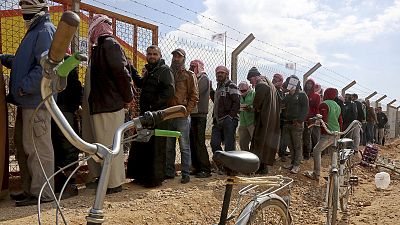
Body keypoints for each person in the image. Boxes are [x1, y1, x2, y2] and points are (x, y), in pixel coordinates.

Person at [3, 0, 56, 206]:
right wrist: (5, 59)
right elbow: (24, 62)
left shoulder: (45, 30)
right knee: (29, 148)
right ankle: (32, 190)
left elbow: (46, 67)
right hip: (28, 101)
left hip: (36, 101)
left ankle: (44, 194)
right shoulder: (35, 30)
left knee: (39, 149)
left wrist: (23, 87)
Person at [83, 14, 134, 194]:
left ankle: (113, 184)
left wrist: (128, 98)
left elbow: (122, 74)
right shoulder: (100, 48)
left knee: (111, 147)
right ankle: (105, 180)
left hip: (109, 105)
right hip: (103, 105)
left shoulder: (110, 45)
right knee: (104, 145)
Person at [126, 45, 175, 188]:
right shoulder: (150, 71)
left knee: (156, 147)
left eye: (155, 54)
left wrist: (154, 106)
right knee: (142, 144)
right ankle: (140, 177)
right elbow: (141, 83)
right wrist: (131, 68)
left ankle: (154, 179)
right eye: (149, 54)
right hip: (146, 115)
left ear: (159, 56)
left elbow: (169, 91)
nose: (152, 56)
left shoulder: (165, 71)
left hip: (157, 116)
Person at [165, 49, 199, 184]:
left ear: (183, 58)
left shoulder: (189, 75)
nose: (176, 58)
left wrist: (186, 111)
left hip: (181, 115)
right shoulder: (168, 72)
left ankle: (185, 173)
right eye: (174, 56)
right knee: (169, 145)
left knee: (184, 146)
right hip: (168, 113)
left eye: (179, 56)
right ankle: (169, 172)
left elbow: (194, 96)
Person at [51, 55, 82, 198]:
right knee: (57, 144)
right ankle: (61, 182)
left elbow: (75, 88)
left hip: (64, 109)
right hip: (54, 107)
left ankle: (71, 183)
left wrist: (74, 107)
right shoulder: (50, 59)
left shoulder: (68, 61)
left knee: (67, 143)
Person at [304, 88, 343, 180]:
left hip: (328, 132)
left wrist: (323, 130)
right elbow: (340, 120)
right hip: (336, 132)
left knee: (316, 150)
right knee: (333, 153)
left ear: (326, 94)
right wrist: (339, 132)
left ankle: (316, 174)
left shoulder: (324, 104)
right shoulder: (337, 105)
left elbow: (324, 120)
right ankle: (334, 174)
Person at [247, 67, 280, 174]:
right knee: (266, 142)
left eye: (250, 80)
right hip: (271, 118)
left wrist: (253, 107)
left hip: (264, 119)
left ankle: (257, 167)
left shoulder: (261, 84)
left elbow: (257, 103)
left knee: (259, 141)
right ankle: (263, 167)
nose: (251, 83)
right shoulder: (269, 83)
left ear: (254, 77)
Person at [189, 59, 212, 178]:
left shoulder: (204, 79)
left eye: (193, 66)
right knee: (193, 142)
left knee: (199, 143)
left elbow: (195, 92)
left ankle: (205, 169)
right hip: (193, 114)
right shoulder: (194, 78)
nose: (191, 68)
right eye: (190, 65)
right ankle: (197, 167)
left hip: (200, 114)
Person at [281, 75, 309, 174]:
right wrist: (286, 93)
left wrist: (300, 120)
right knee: (290, 144)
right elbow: (282, 104)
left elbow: (305, 109)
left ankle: (297, 164)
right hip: (287, 123)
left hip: (296, 124)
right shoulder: (288, 95)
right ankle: (293, 162)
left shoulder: (302, 95)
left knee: (297, 145)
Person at [210, 66, 240, 154]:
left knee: (229, 146)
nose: (219, 74)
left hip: (228, 120)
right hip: (218, 121)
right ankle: (221, 164)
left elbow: (237, 102)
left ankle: (229, 167)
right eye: (218, 73)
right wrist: (211, 90)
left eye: (222, 73)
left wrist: (230, 117)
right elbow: (217, 101)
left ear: (227, 74)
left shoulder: (231, 85)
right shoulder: (218, 87)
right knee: (214, 143)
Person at [303, 78, 321, 160]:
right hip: (302, 118)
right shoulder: (303, 94)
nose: (309, 85)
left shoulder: (316, 96)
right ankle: (305, 153)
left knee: (310, 137)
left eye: (310, 84)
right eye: (307, 83)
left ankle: (309, 154)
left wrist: (315, 119)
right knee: (304, 137)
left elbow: (317, 108)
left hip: (311, 119)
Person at [272, 73, 288, 162]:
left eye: (277, 78)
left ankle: (282, 154)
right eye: (274, 78)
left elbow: (283, 103)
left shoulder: (282, 92)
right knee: (274, 136)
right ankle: (273, 154)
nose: (274, 79)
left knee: (283, 137)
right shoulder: (271, 89)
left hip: (282, 117)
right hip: (273, 117)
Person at [237, 81, 255, 151]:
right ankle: (246, 158)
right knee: (242, 143)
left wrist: (250, 108)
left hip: (252, 122)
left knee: (254, 142)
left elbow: (258, 106)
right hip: (243, 122)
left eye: (244, 90)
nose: (242, 92)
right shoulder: (238, 96)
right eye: (241, 90)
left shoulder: (253, 94)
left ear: (248, 88)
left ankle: (255, 158)